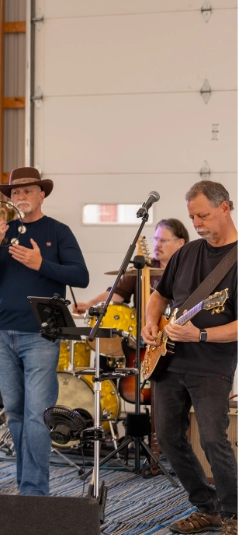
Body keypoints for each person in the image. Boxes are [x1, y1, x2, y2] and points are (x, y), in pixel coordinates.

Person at [0, 167, 89, 495]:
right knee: (15, 413)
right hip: (2, 331)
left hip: (40, 334)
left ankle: (34, 493)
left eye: (27, 191)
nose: (20, 197)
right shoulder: (0, 232)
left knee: (37, 415)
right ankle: (27, 485)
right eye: (15, 192)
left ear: (42, 194)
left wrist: (41, 264)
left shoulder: (59, 232)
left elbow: (80, 276)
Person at [141, 181, 238, 534]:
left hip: (211, 366)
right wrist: (151, 323)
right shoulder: (186, 253)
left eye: (203, 215)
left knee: (213, 439)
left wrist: (201, 334)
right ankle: (206, 506)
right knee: (167, 437)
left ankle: (234, 513)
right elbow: (159, 296)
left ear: (225, 208)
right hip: (169, 361)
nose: (196, 223)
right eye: (192, 217)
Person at [73, 218, 189, 313]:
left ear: (180, 243)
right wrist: (90, 304)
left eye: (163, 240)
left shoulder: (190, 268)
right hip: (145, 331)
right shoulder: (142, 268)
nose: (157, 245)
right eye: (155, 239)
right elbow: (116, 294)